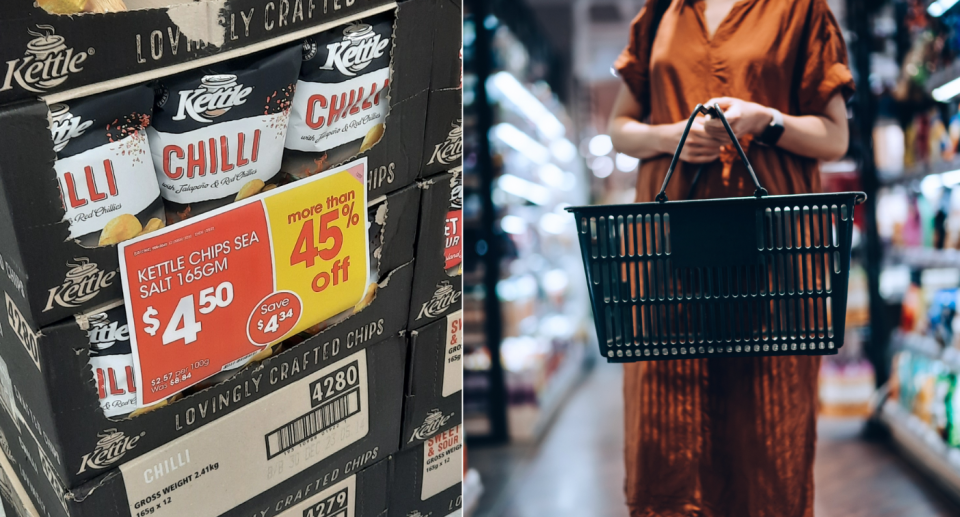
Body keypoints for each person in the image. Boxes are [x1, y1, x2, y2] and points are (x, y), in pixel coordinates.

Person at [607, 0, 854, 516]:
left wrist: (766, 120)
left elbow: (835, 138)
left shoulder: (800, 11)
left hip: (773, 260)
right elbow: (621, 127)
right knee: (663, 431)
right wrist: (672, 136)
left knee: (767, 433)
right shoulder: (661, 12)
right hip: (667, 256)